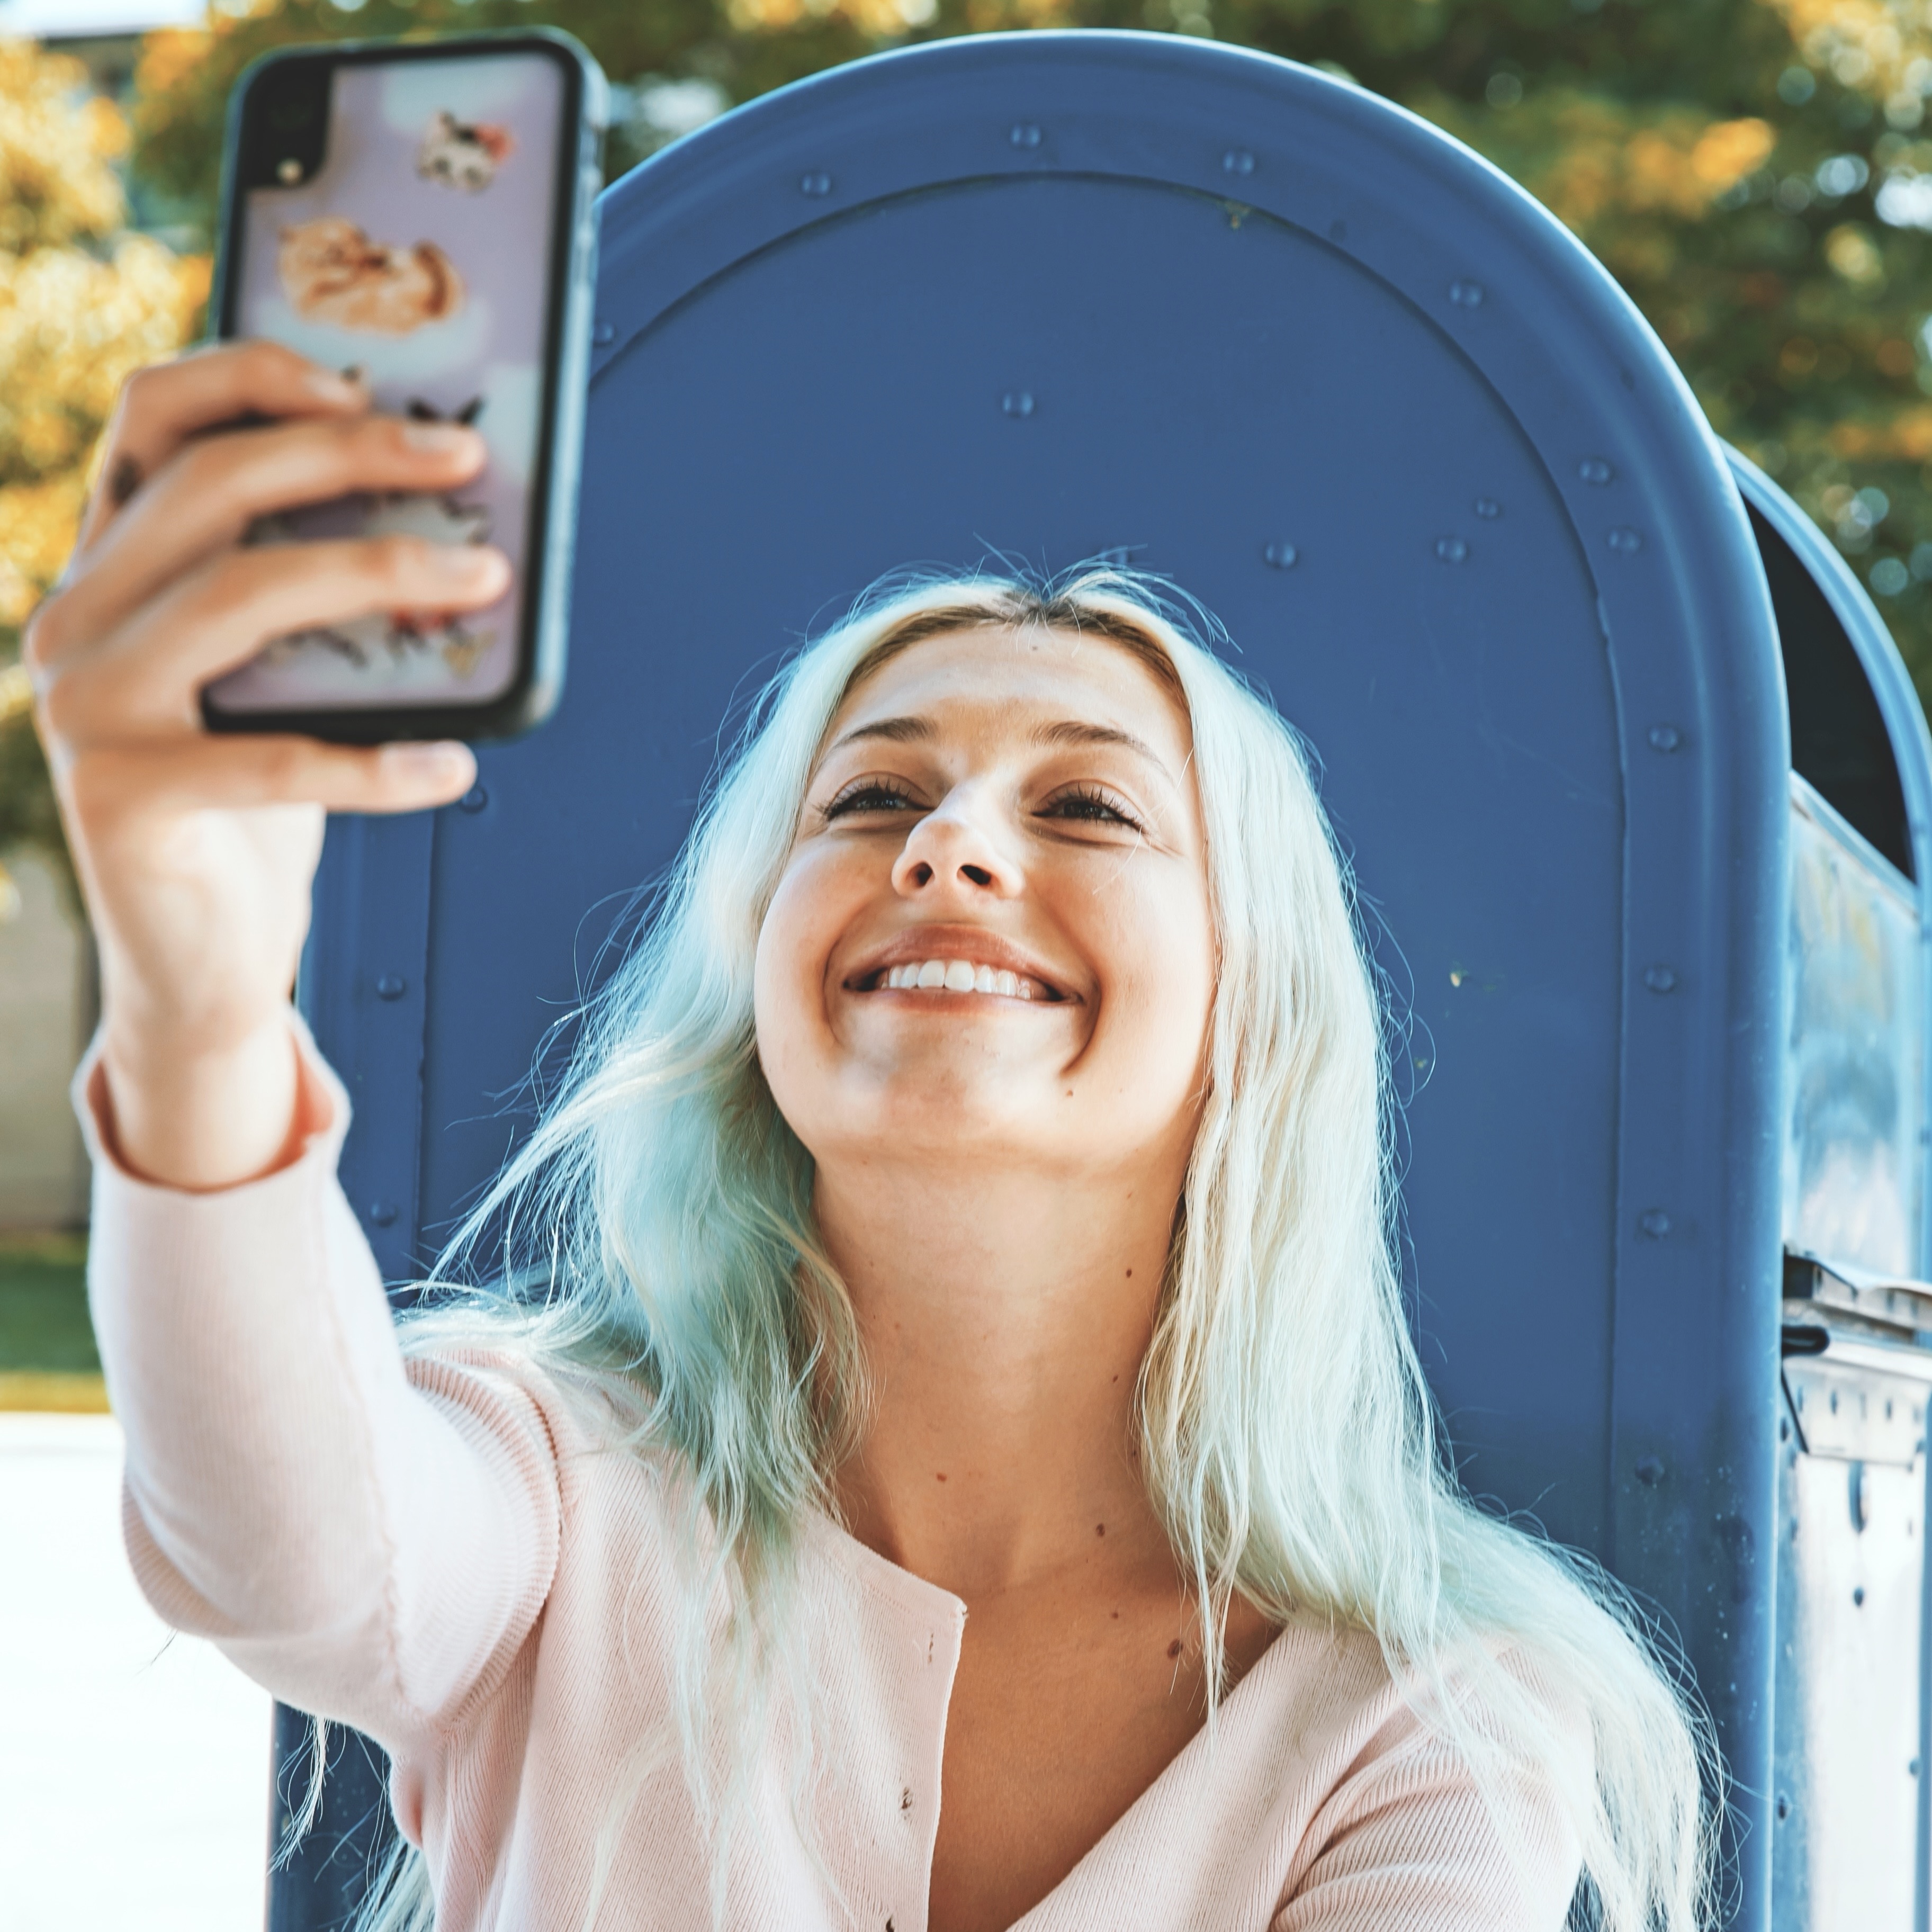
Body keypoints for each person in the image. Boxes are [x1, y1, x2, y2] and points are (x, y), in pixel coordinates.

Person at [30, 340, 1711, 1932]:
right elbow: (291, 1555)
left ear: (1249, 1013)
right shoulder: (557, 1480)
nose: (950, 845)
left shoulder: (1432, 1717)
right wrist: (202, 998)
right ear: (758, 960)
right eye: (870, 797)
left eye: (1085, 805)